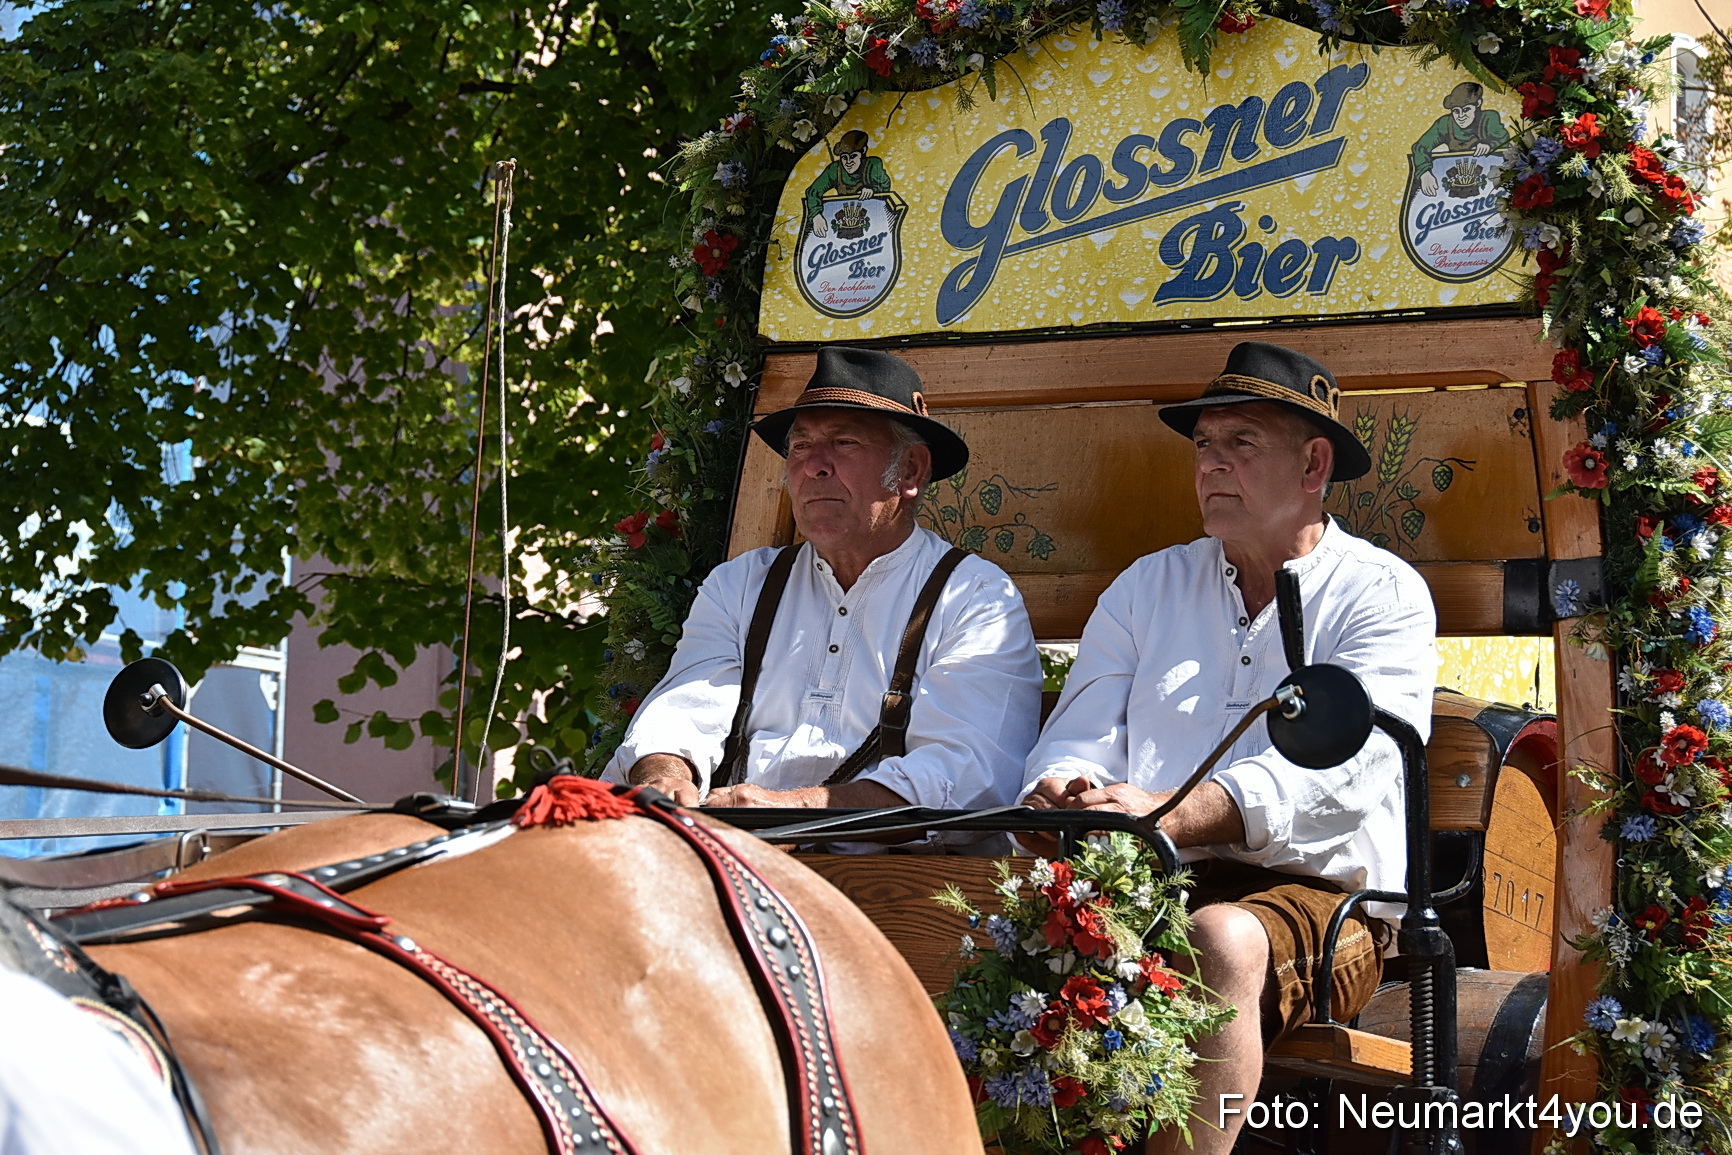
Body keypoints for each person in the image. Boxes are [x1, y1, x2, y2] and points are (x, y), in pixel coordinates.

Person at [1020, 341, 1437, 1154]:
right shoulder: (1147, 585)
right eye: (1204, 445)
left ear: (1314, 463)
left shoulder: (1382, 593)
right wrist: (1064, 791)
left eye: (1240, 443)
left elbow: (1344, 777)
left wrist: (1171, 814)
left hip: (1323, 903)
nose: (1211, 463)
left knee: (1223, 939)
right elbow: (1079, 732)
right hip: (1148, 881)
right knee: (987, 926)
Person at [606, 346, 1041, 838]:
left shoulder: (975, 597)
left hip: (901, 884)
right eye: (800, 446)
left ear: (912, 471)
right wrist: (665, 779)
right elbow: (680, 714)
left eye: (845, 442)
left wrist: (793, 809)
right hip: (732, 857)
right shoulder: (742, 583)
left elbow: (966, 776)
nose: (814, 466)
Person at [1412, 82, 1510, 197]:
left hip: (1487, 181)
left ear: (1478, 104)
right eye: (1456, 111)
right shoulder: (1444, 123)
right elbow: (1420, 146)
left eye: (1466, 109)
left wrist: (1490, 145)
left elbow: (1505, 140)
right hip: (1453, 181)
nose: (1461, 116)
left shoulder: (1489, 118)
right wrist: (1424, 172)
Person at [804, 131, 893, 237]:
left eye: (853, 156)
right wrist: (816, 216)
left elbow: (885, 186)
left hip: (873, 220)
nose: (848, 162)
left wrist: (872, 189)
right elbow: (813, 191)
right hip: (842, 219)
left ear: (863, 151)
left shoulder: (873, 165)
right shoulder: (834, 170)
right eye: (844, 157)